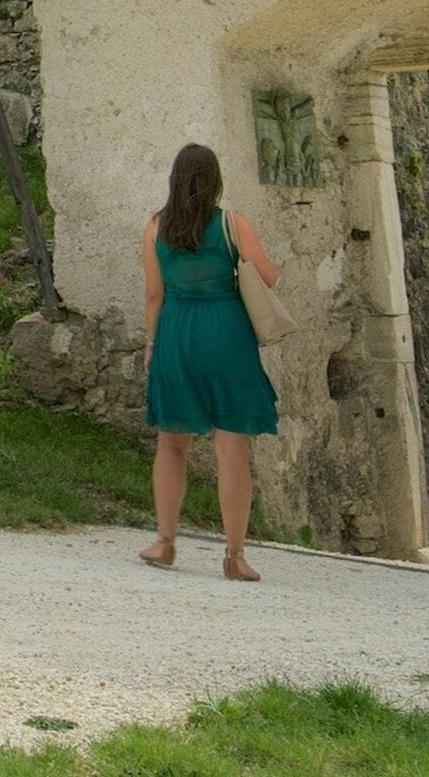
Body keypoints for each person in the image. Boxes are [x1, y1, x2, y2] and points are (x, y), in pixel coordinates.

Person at [139, 140, 280, 580]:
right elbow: (268, 276)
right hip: (226, 334)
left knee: (171, 442)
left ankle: (165, 542)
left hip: (177, 334)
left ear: (175, 180)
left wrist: (151, 344)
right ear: (215, 180)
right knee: (232, 446)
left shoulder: (156, 227)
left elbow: (154, 293)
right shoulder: (232, 224)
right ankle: (235, 556)